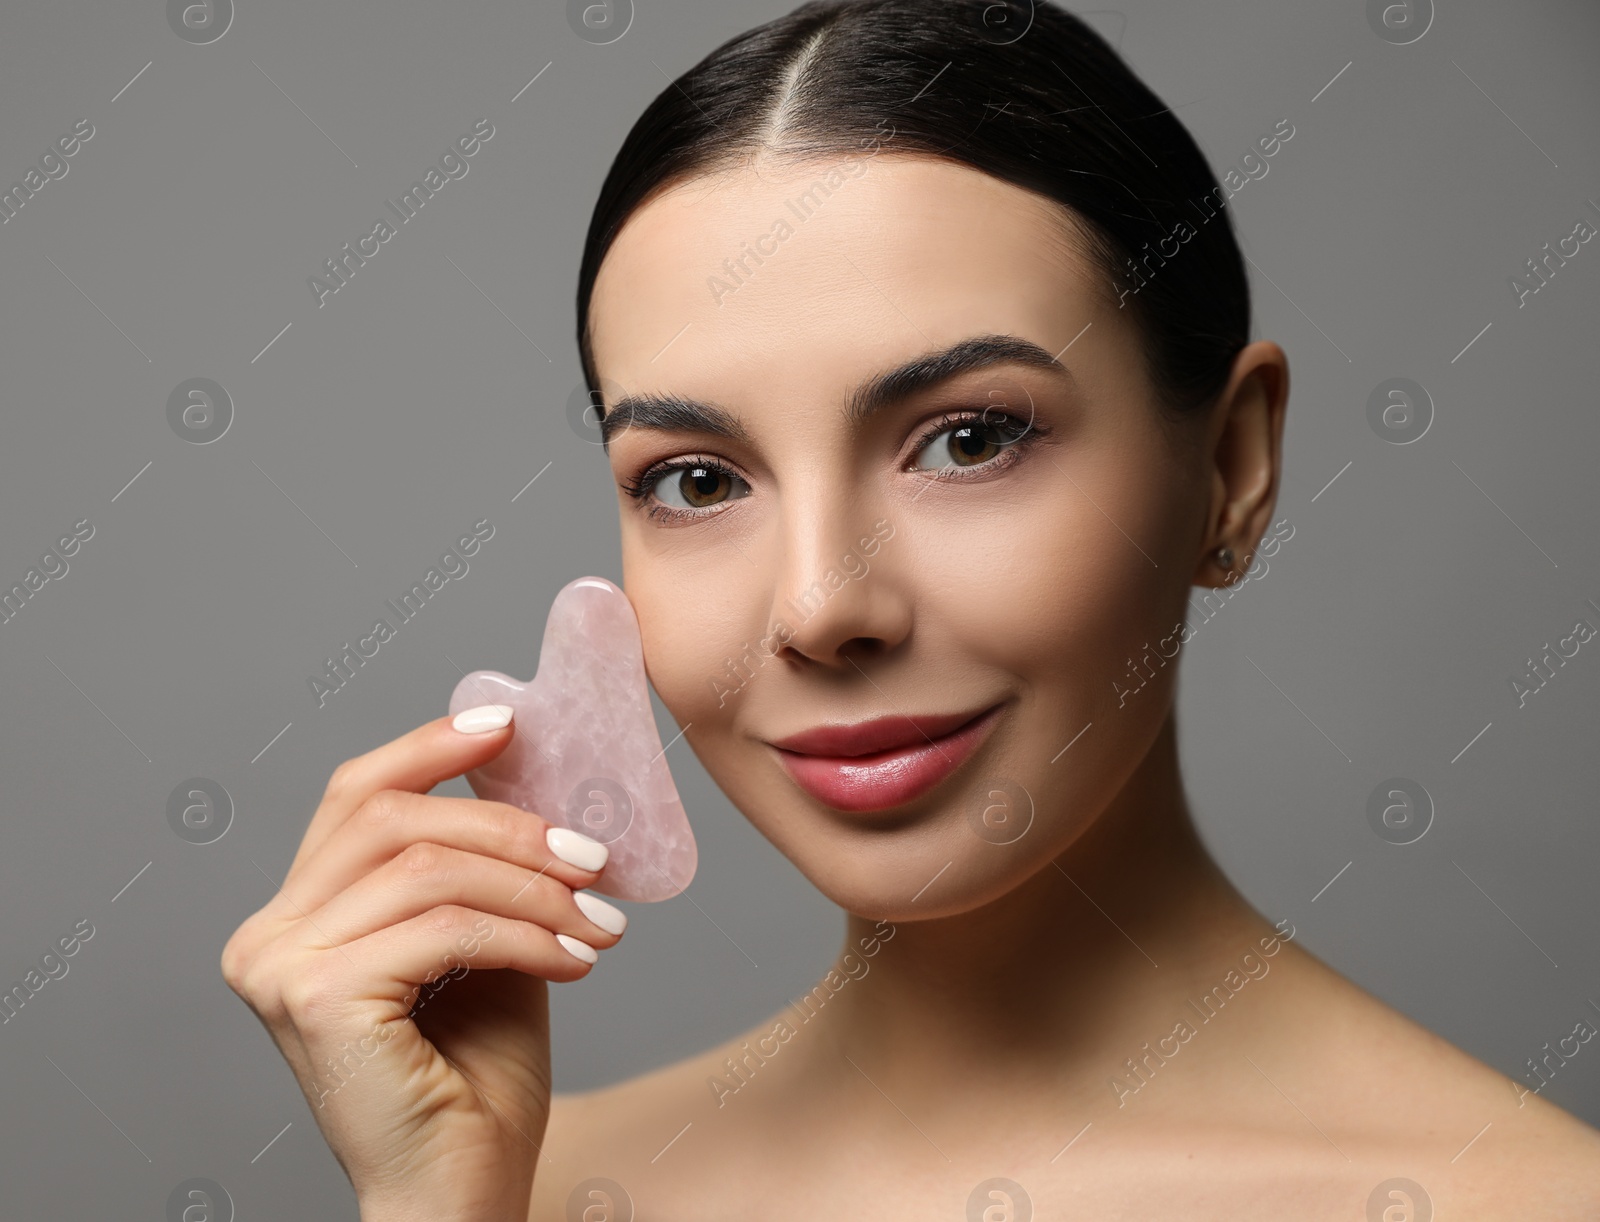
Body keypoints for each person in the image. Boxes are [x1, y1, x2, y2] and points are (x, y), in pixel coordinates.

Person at [221, 2, 1600, 1217]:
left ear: (1231, 468)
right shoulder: (522, 1182)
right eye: (698, 478)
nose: (824, 605)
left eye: (969, 438)